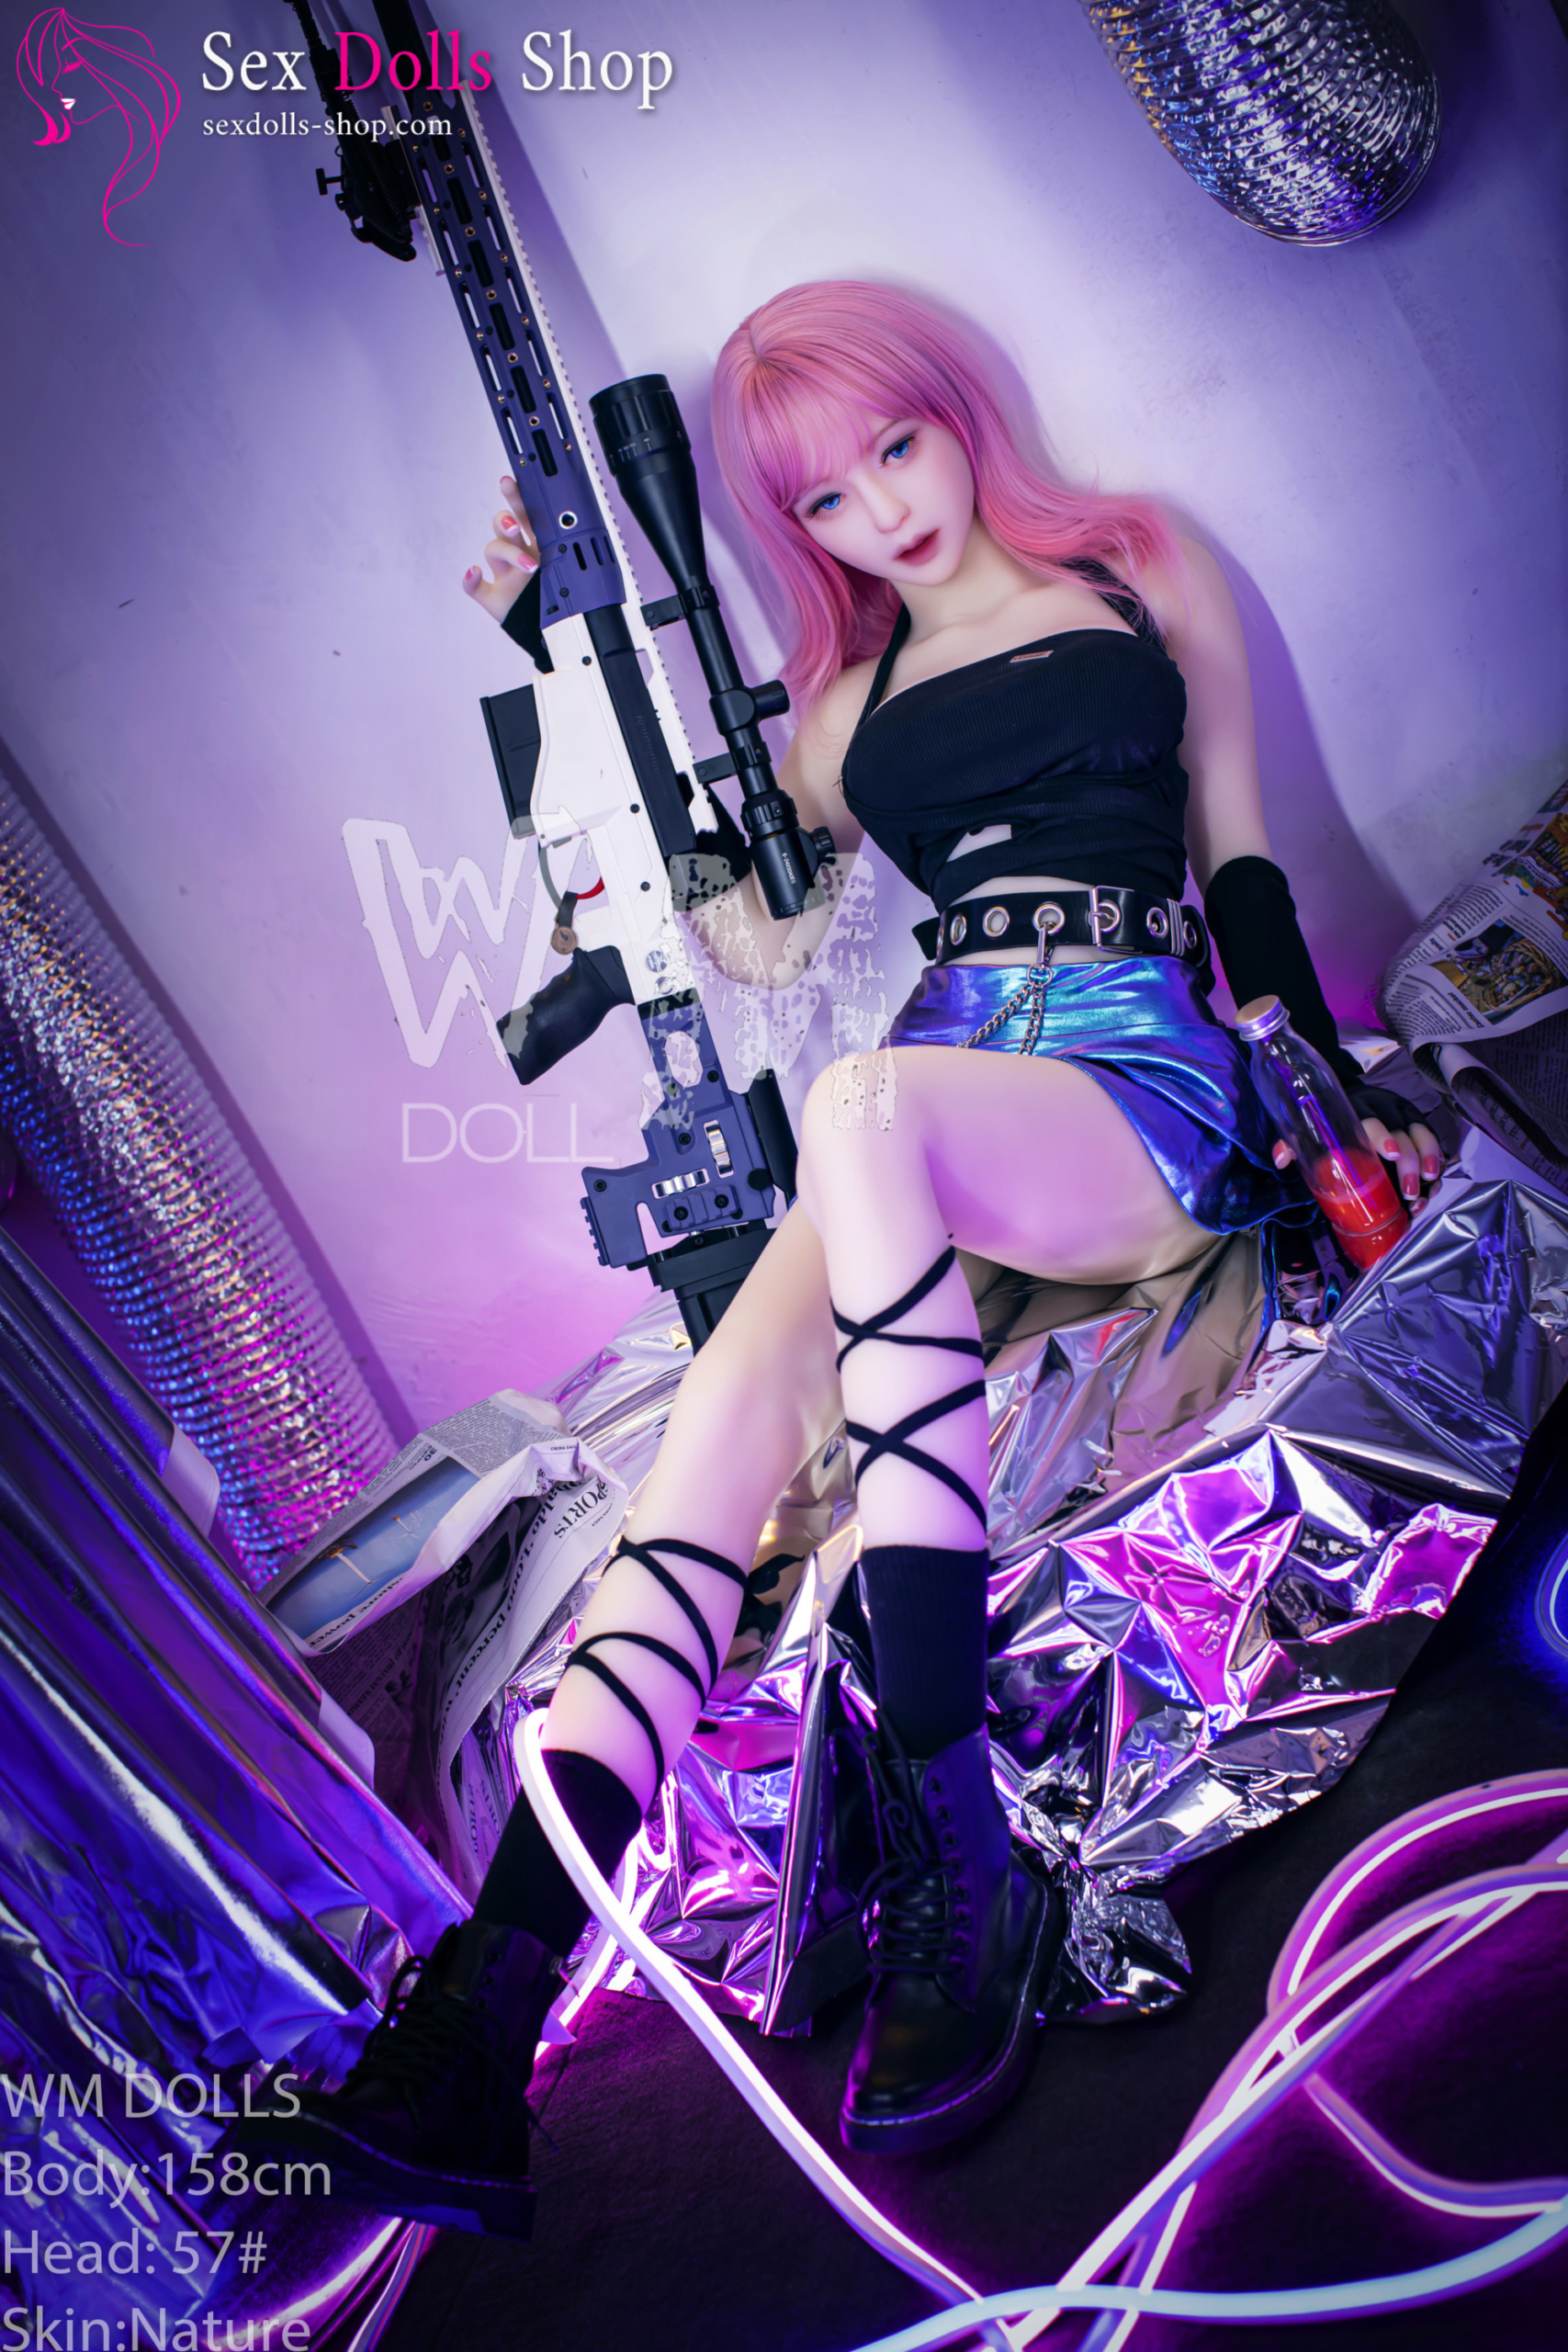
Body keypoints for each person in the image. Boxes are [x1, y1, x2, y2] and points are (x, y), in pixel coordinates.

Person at [226, 281, 1442, 2233]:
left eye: (895, 445)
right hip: (934, 1124)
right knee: (708, 1450)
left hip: (1131, 1082)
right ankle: (482, 2013)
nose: (882, 509)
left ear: (953, 414)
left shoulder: (1134, 567)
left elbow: (1237, 861)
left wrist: (1323, 1078)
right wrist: (557, 651)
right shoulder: (838, 715)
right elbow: (706, 916)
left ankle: (963, 1848)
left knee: (863, 1109)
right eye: (822, 498)